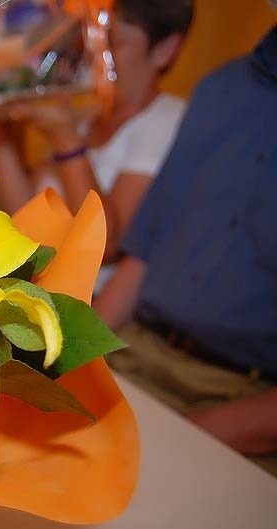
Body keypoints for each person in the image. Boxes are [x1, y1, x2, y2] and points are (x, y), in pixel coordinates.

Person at [95, 22, 277, 474]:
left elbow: (108, 239)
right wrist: (74, 355)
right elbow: (145, 251)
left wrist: (193, 436)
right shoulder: (220, 89)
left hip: (238, 395)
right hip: (138, 350)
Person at [0, 0, 193, 288]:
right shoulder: (85, 114)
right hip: (37, 291)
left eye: (113, 41)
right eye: (92, 36)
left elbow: (107, 245)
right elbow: (23, 217)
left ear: (165, 49)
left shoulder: (169, 120)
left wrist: (65, 139)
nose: (95, 51)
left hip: (89, 304)